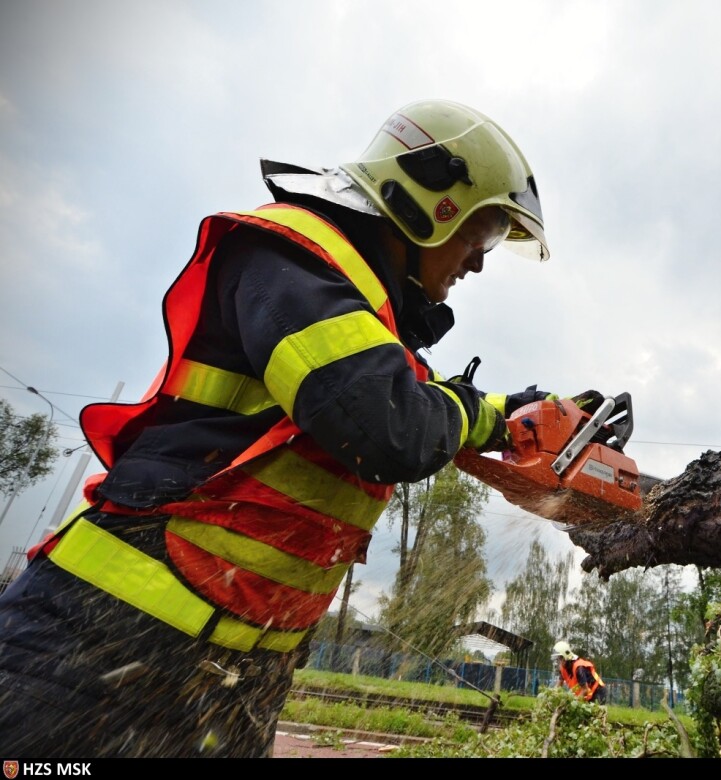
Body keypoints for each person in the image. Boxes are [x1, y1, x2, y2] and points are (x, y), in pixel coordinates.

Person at [0, 99, 590, 758]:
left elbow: (410, 399)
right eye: (479, 239)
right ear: (431, 202)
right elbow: (384, 424)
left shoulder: (370, 323)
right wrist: (483, 413)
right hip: (99, 639)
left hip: (232, 675)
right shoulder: (291, 260)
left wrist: (511, 412)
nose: (477, 264)